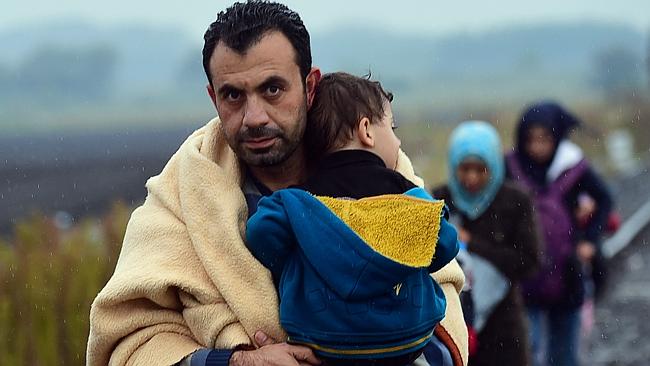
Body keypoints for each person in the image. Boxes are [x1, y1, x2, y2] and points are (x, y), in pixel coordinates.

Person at [86, 2, 469, 366]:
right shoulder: (183, 192)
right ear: (212, 97)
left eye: (272, 89)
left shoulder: (384, 172)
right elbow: (126, 343)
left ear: (310, 85)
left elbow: (445, 313)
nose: (254, 117)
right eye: (233, 95)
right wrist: (237, 360)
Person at [246, 72, 460, 366]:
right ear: (366, 131)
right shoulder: (408, 197)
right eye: (392, 127)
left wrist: (295, 256)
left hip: (321, 341)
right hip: (406, 339)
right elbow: (446, 243)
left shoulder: (297, 201)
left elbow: (260, 232)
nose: (397, 141)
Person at [505, 101, 613, 366]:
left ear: (558, 137)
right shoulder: (510, 165)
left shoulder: (573, 166)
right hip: (525, 272)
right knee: (528, 349)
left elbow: (605, 199)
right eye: (531, 140)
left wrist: (590, 241)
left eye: (545, 139)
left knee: (564, 352)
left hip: (567, 272)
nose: (537, 147)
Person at [433, 121, 541, 366]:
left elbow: (529, 261)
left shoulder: (515, 202)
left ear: (493, 165)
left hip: (504, 326)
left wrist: (474, 245)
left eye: (480, 169)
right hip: (452, 322)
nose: (471, 178)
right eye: (464, 169)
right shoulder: (441, 199)